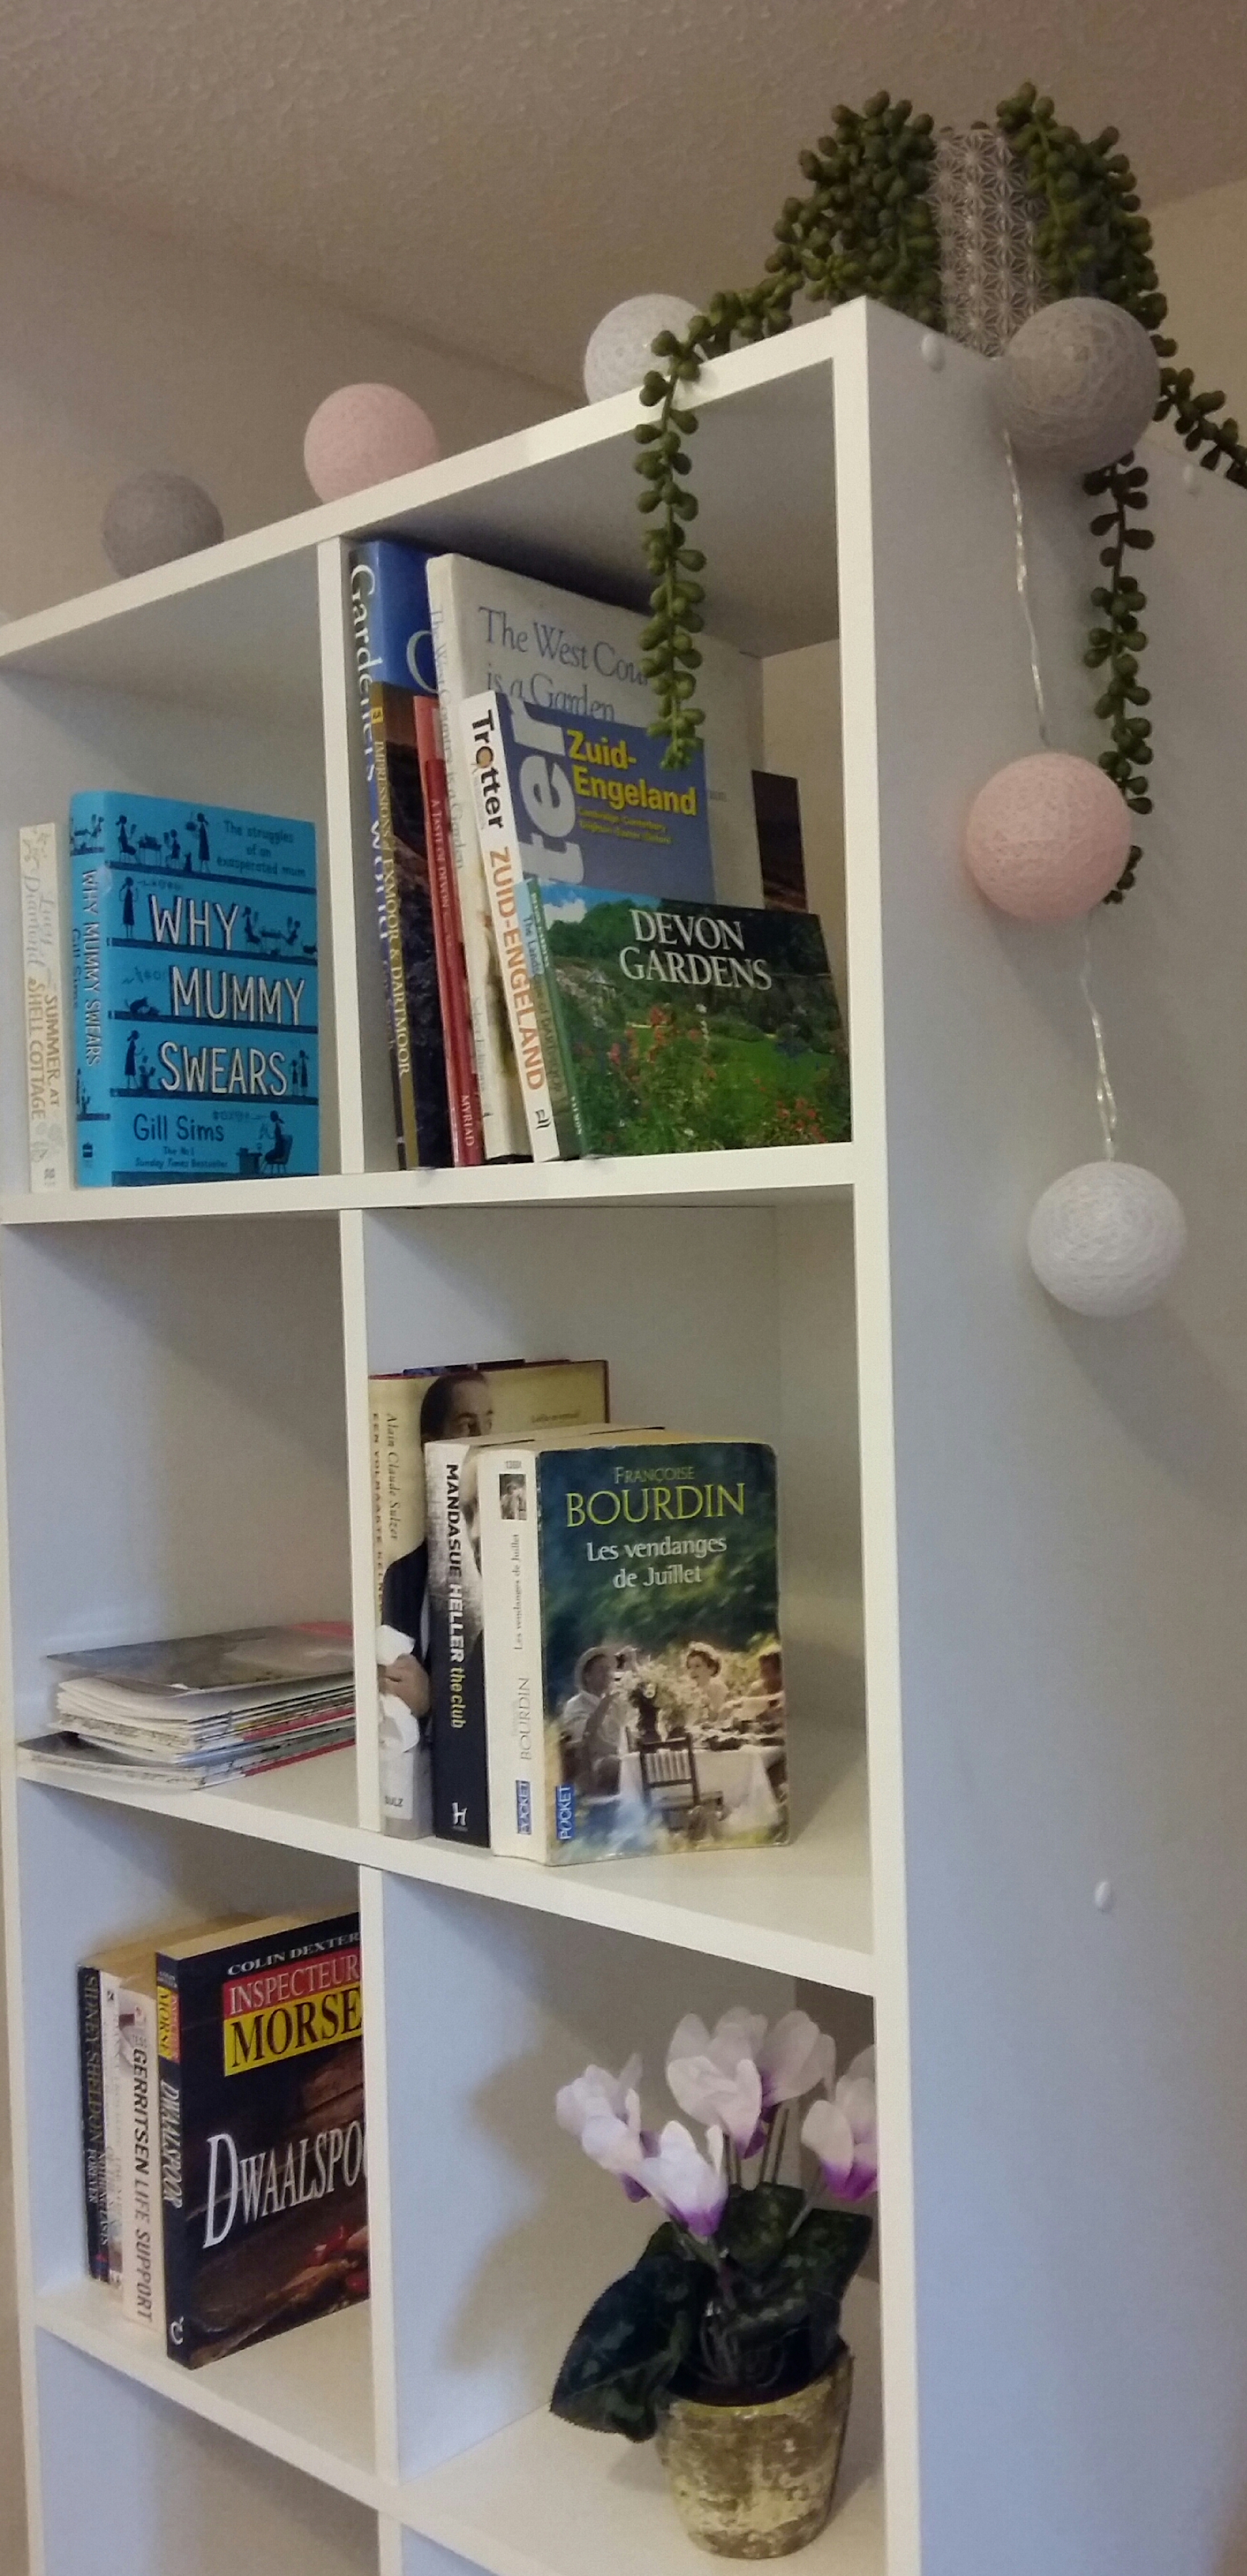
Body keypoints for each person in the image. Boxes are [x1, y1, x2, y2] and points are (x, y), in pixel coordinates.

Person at [379, 1367, 494, 1720]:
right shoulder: (403, 1577)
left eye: (490, 1423)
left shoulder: (522, 1558)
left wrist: (436, 1701)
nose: (485, 1438)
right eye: (466, 1426)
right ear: (431, 1445)